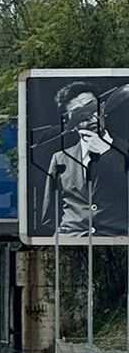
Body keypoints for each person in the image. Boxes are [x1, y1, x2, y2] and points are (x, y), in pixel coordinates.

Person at [40, 81, 127, 236]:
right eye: (80, 113)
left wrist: (106, 152)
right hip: (72, 247)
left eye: (92, 108)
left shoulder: (126, 150)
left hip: (119, 246)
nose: (90, 117)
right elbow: (49, 216)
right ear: (68, 123)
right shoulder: (60, 159)